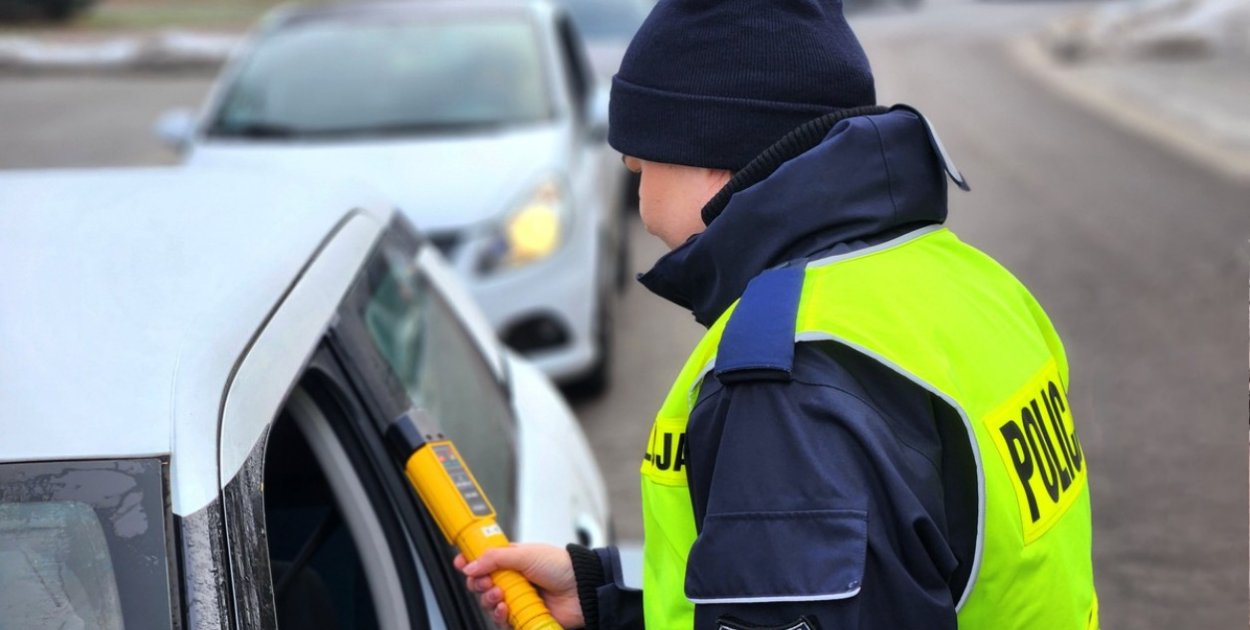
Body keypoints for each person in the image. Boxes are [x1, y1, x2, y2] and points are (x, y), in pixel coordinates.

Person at [458, 0, 1099, 628]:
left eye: (640, 165)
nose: (641, 200)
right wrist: (614, 600)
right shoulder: (976, 286)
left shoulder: (787, 382)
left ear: (711, 154)